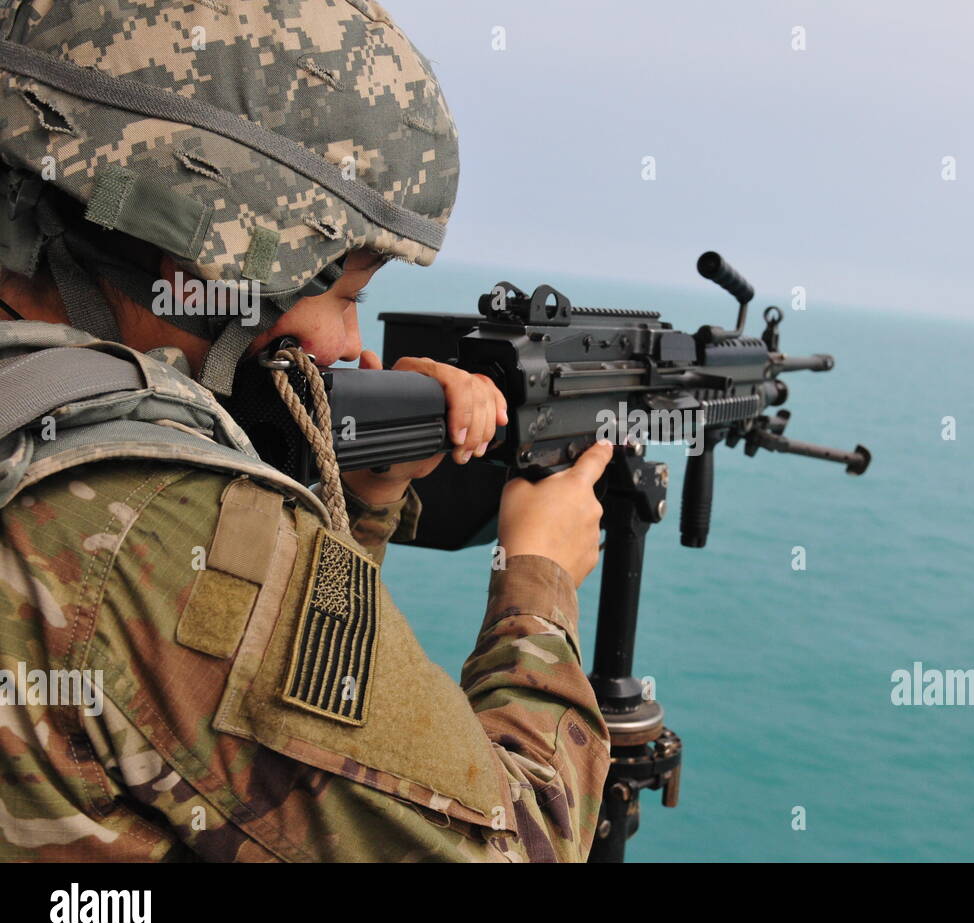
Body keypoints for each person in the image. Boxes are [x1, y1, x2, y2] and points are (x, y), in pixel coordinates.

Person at [0, 0, 612, 861]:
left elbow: (246, 750)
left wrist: (358, 505)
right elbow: (513, 845)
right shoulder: (165, 527)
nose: (350, 346)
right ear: (210, 263)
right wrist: (540, 583)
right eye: (347, 293)